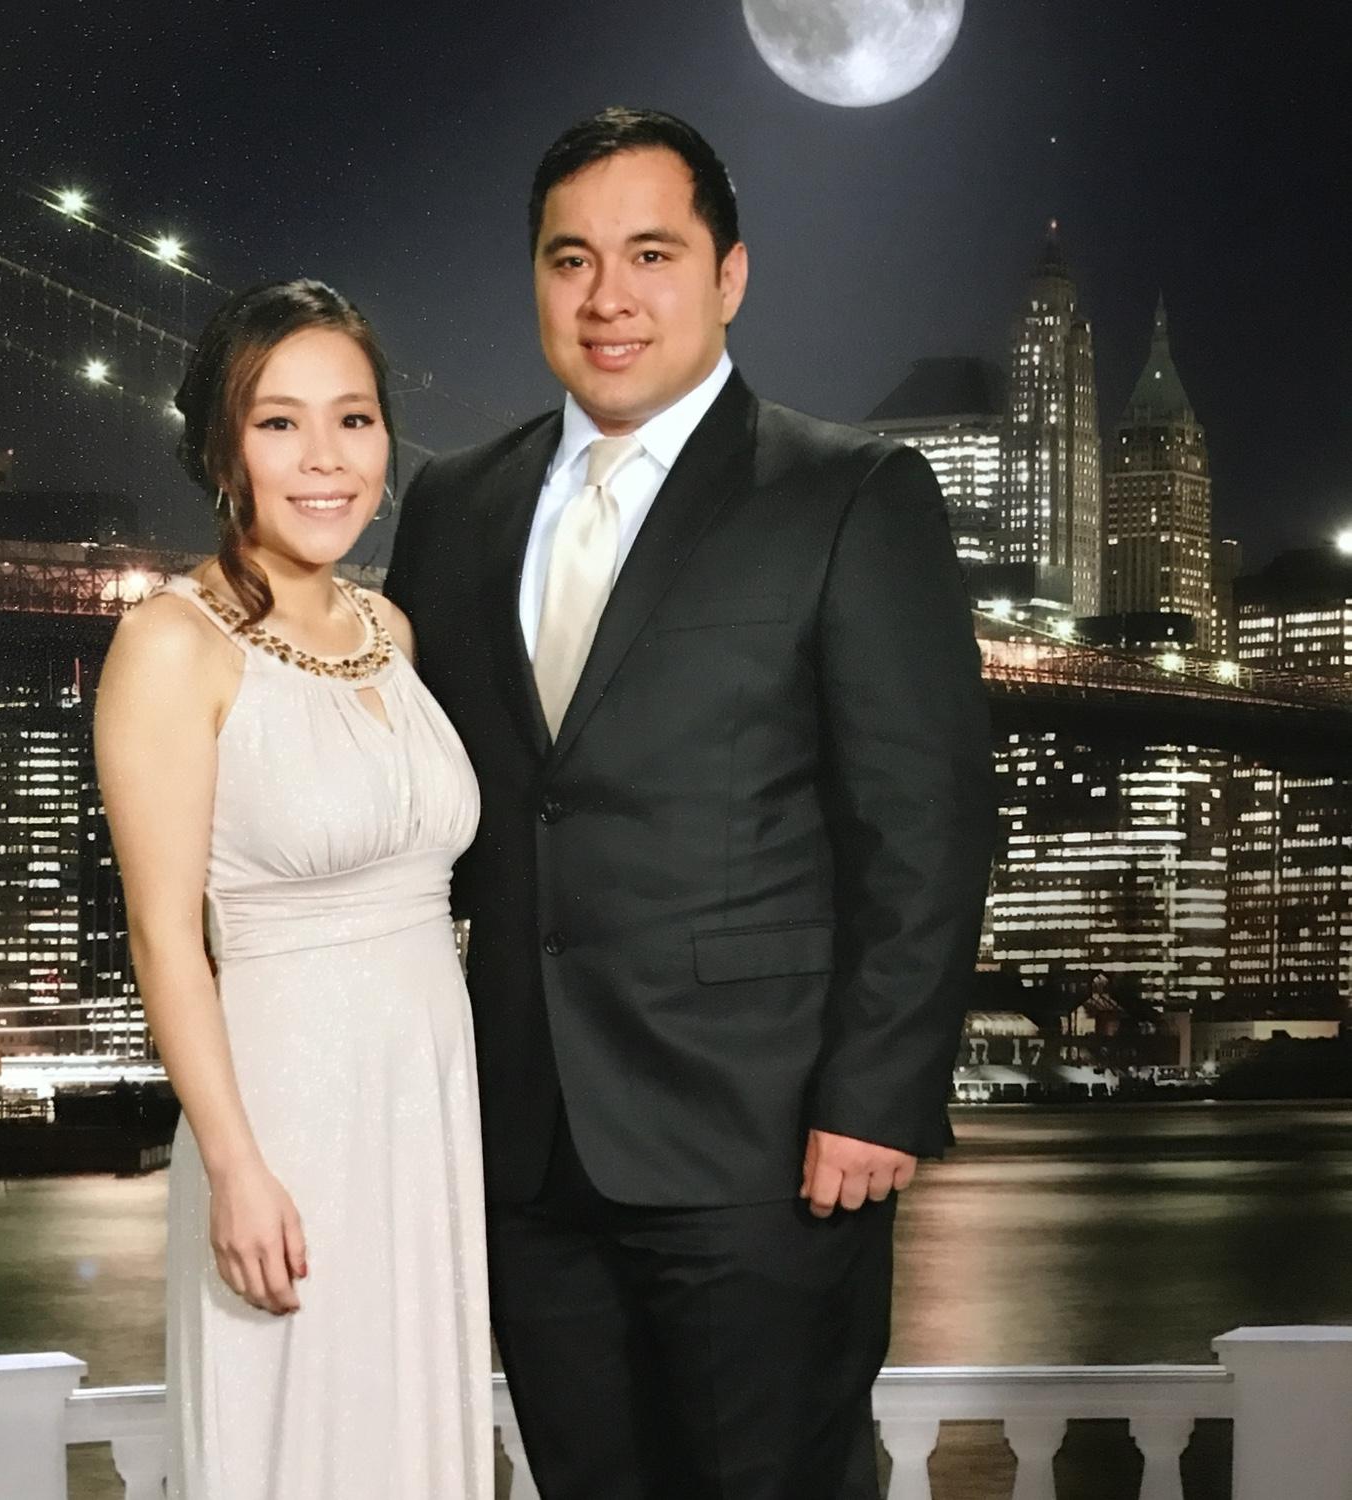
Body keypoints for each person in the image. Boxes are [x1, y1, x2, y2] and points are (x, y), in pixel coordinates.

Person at [384, 109, 996, 1500]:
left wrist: (877, 1099)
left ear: (730, 276)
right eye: (571, 259)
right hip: (527, 1153)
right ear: (536, 281)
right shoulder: (453, 506)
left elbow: (929, 823)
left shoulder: (851, 493)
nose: (608, 296)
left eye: (651, 254)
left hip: (768, 1150)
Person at [95, 280, 491, 1500]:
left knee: (410, 1438)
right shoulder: (172, 642)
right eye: (279, 423)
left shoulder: (392, 630)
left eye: (354, 419)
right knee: (295, 1445)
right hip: (285, 1121)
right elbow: (165, 939)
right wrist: (235, 1168)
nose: (326, 459)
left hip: (428, 1116)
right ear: (223, 450)